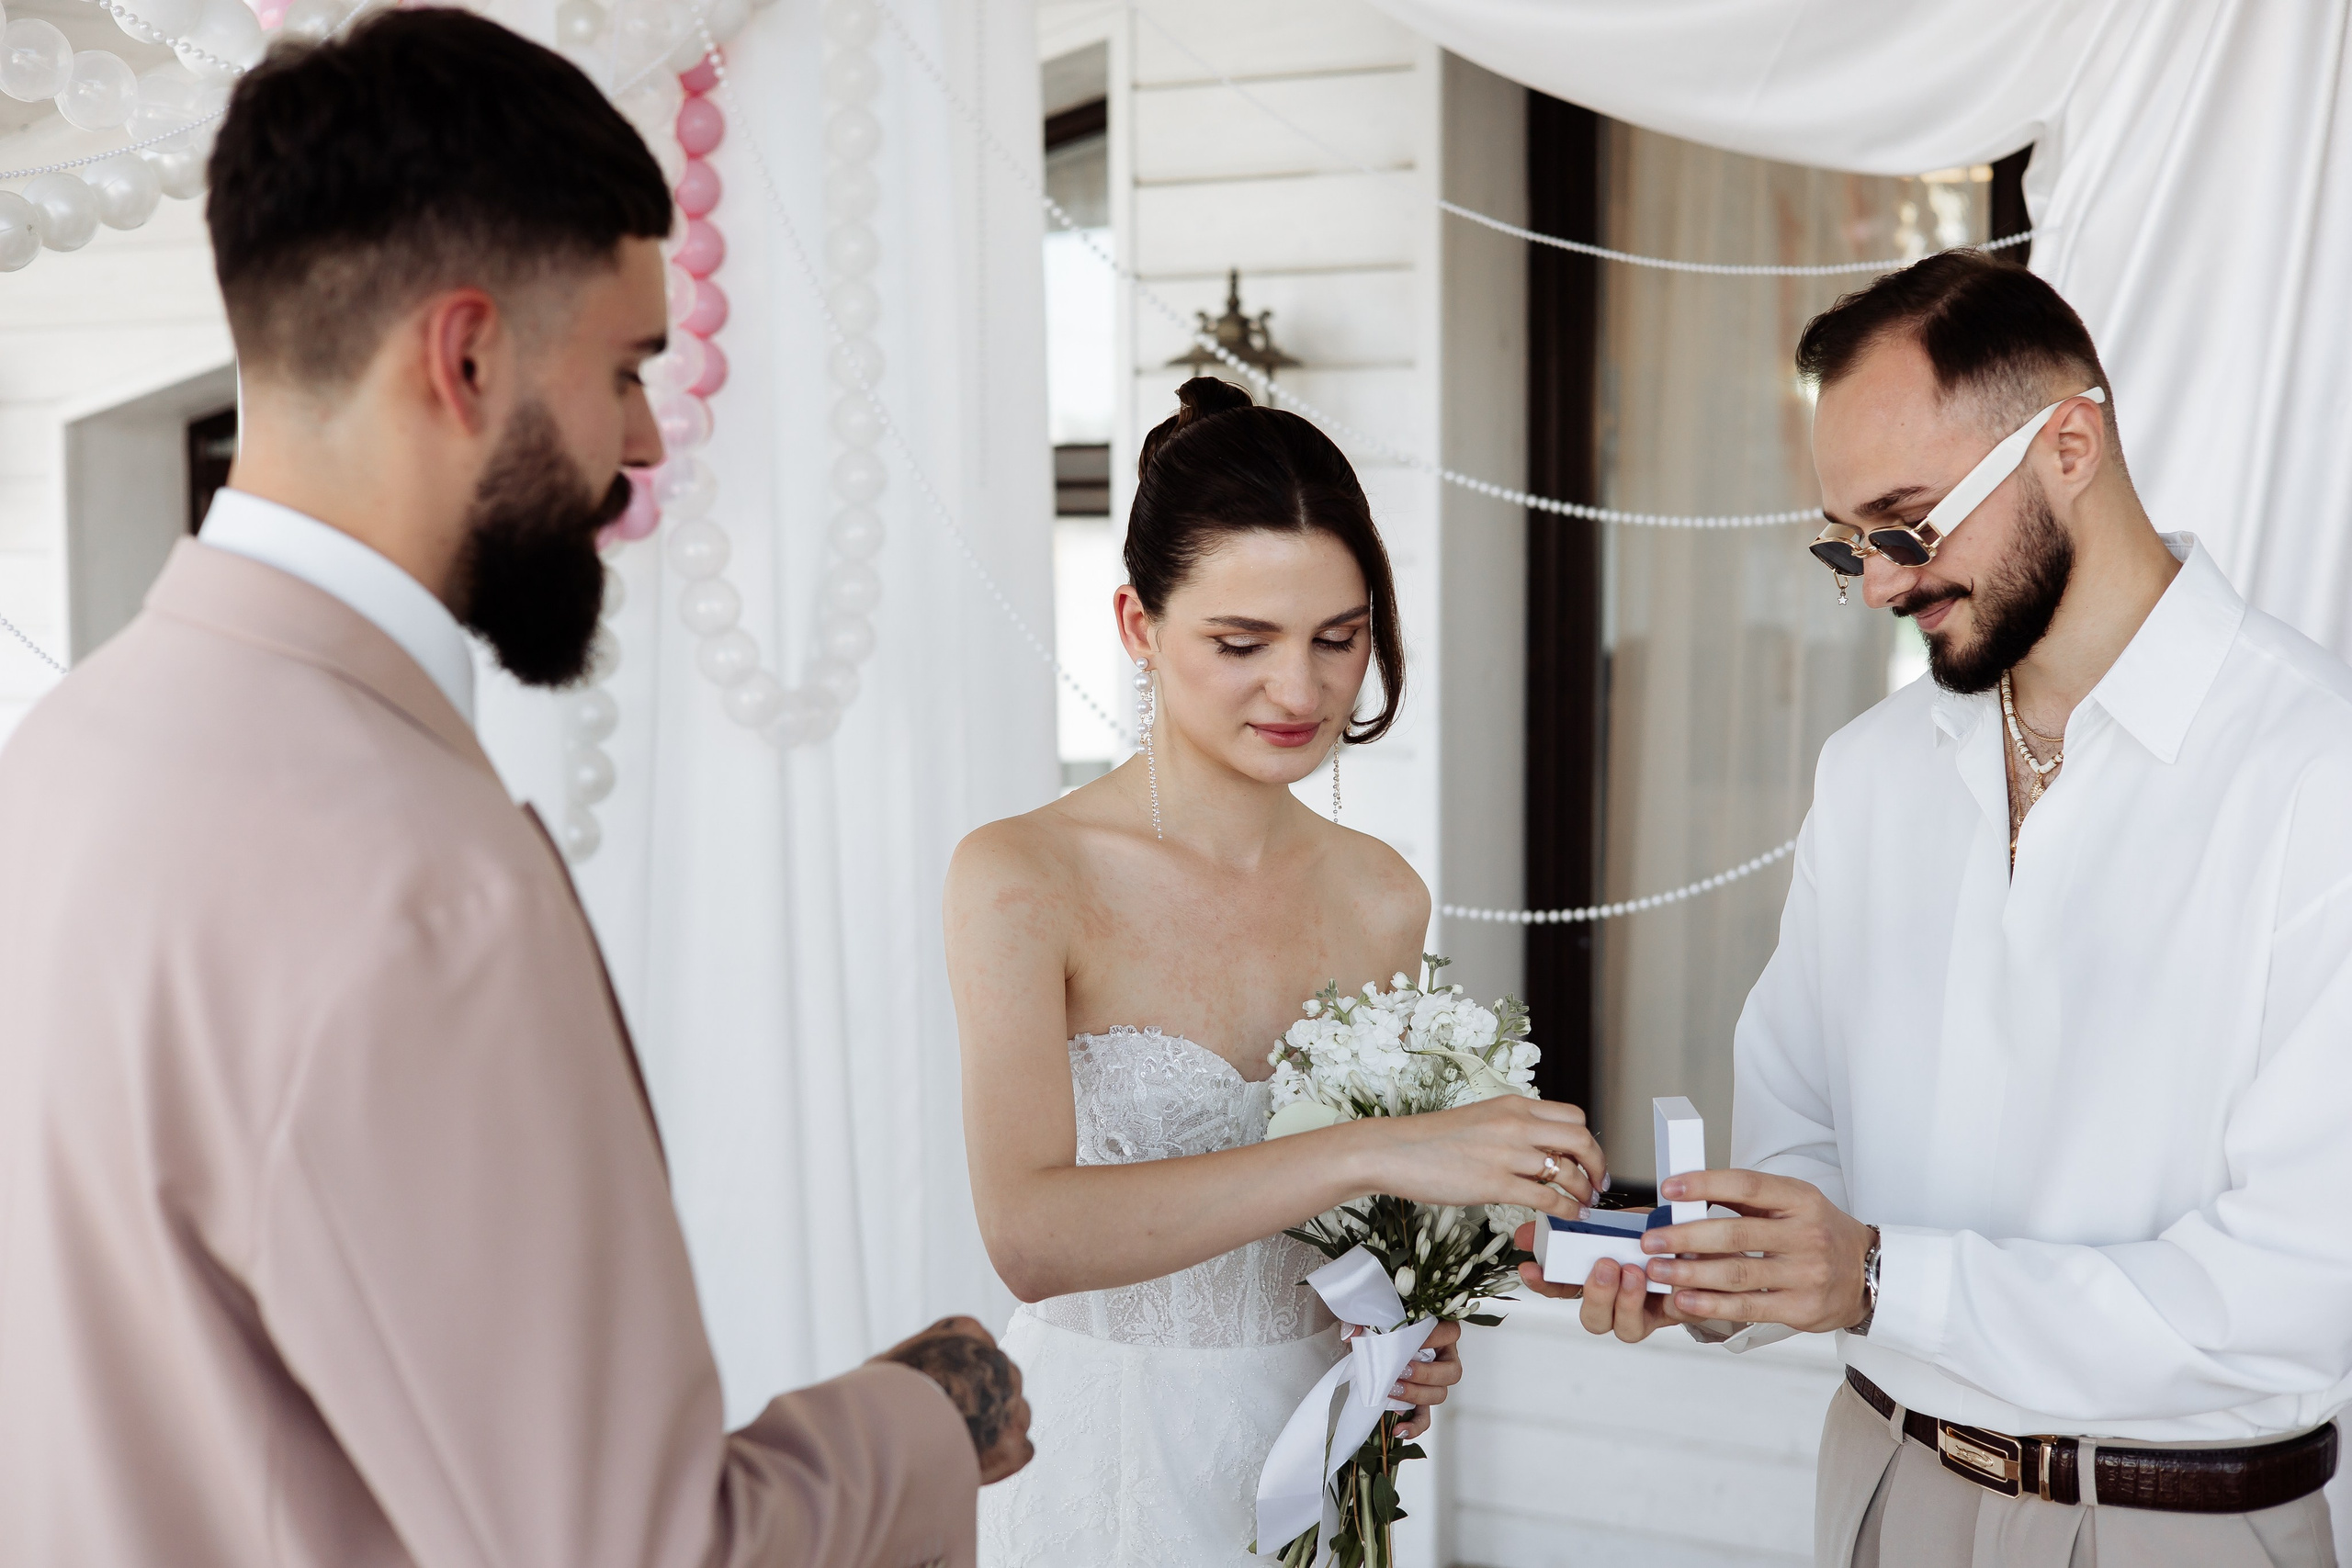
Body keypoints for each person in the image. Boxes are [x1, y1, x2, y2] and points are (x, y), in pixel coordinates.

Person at [0, 14, 1028, 1567]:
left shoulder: (57, 764)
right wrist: (921, 1424)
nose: (635, 444)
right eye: (623, 366)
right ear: (465, 354)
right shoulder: (422, 883)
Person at [1521, 251, 2352, 1565]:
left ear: (2070, 441)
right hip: (1881, 1483)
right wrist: (1725, 1267)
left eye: (1906, 524)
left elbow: (2304, 1288)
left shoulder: (2320, 772)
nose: (1878, 585)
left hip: (2172, 1527)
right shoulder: (1871, 774)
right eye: (1846, 544)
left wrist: (1883, 1280)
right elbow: (1801, 1122)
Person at [945, 376, 1602, 1565]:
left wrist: (1407, 1325)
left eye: (1339, 639)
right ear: (1139, 625)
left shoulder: (1380, 894)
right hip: (1108, 1464)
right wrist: (1367, 1149)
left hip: (1316, 1451)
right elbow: (1031, 1236)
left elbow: (1354, 1238)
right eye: (1242, 643)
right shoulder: (1022, 875)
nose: (1300, 691)